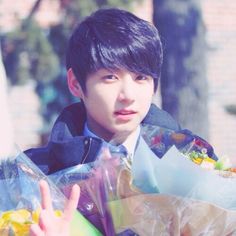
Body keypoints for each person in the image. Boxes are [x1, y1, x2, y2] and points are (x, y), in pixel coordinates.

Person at [26, 7, 217, 235]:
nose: (128, 95)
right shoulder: (33, 177)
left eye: (141, 77)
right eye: (110, 77)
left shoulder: (194, 162)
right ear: (76, 83)